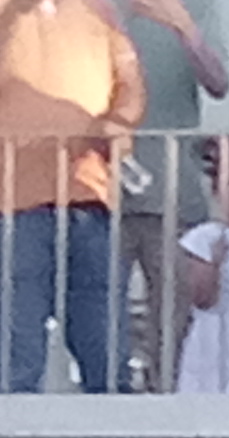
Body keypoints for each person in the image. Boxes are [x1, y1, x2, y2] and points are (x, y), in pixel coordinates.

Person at [0, 0, 145, 393]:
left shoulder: (99, 11)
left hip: (90, 196)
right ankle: (12, 424)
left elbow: (129, 86)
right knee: (17, 346)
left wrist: (116, 126)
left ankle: (111, 419)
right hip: (13, 200)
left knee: (104, 344)